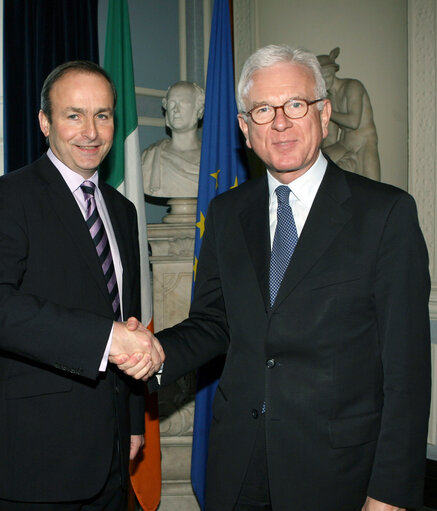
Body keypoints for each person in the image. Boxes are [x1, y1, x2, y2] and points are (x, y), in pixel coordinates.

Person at [113, 45, 431, 511]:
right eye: (263, 109)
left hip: (337, 471)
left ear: (323, 116)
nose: (279, 122)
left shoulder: (385, 215)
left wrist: (388, 493)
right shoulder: (226, 213)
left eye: (295, 105)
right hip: (237, 465)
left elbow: (406, 370)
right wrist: (157, 352)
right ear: (245, 128)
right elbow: (214, 322)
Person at [0, 61, 163, 510]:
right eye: (74, 115)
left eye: (103, 115)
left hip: (111, 456)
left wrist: (133, 423)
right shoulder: (8, 196)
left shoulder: (123, 210)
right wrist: (106, 337)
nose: (91, 131)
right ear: (44, 123)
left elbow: (125, 315)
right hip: (34, 459)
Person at [317, 47, 381, 181]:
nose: (324, 81)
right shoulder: (329, 99)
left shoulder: (352, 86)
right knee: (318, 165)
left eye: (327, 75)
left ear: (333, 72)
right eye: (320, 78)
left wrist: (325, 111)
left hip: (364, 143)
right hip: (345, 144)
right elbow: (330, 137)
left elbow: (353, 122)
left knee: (373, 189)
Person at [142, 81, 205, 198]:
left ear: (199, 109)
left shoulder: (213, 158)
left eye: (184, 103)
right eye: (172, 103)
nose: (176, 110)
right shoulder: (150, 157)